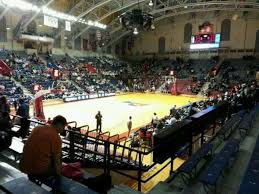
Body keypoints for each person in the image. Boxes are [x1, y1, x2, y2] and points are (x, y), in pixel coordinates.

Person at [19, 115, 67, 179]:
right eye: (63, 126)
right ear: (59, 124)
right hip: (38, 170)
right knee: (59, 156)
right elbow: (57, 161)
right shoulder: (56, 137)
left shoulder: (37, 128)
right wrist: (59, 175)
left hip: (23, 165)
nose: (63, 129)